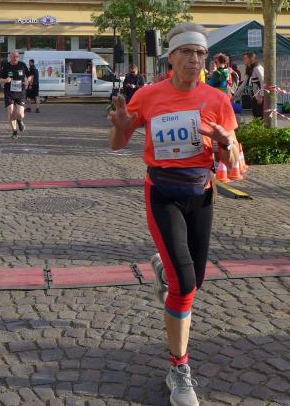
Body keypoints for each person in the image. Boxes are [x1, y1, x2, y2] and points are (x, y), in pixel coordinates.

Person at [109, 22, 238, 406]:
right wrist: (121, 127)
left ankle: (164, 269)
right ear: (172, 57)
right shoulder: (149, 95)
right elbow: (118, 143)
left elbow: (232, 156)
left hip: (201, 194)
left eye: (200, 53)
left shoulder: (217, 99)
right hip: (163, 193)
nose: (195, 59)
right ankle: (179, 369)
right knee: (184, 286)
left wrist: (225, 142)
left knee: (195, 280)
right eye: (187, 52)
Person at [0, 50, 33, 139]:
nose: (15, 58)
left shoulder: (22, 65)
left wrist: (27, 81)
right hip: (9, 93)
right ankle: (14, 132)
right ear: (10, 57)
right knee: (11, 113)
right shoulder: (6, 66)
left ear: (18, 57)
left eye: (17, 56)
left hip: (20, 93)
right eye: (13, 56)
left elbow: (30, 76)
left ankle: (20, 121)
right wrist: (5, 80)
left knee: (20, 114)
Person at [233, 52, 264, 119]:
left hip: (261, 94)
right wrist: (235, 96)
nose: (244, 60)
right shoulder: (249, 68)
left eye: (245, 58)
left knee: (260, 115)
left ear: (251, 59)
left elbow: (262, 82)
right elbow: (243, 84)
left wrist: (261, 96)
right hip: (255, 95)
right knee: (255, 113)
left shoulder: (257, 68)